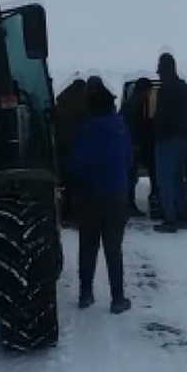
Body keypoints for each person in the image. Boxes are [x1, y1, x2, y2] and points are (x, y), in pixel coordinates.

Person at [64, 76, 133, 314]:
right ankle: (117, 298)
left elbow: (75, 162)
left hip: (90, 194)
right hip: (117, 193)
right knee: (113, 247)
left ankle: (85, 294)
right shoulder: (120, 125)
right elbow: (129, 158)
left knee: (88, 245)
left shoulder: (85, 128)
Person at [153, 52, 187, 233]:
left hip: (167, 140)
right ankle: (183, 216)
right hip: (184, 139)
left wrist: (155, 132)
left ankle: (170, 219)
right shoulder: (184, 88)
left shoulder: (165, 90)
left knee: (166, 181)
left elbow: (161, 117)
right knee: (178, 180)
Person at [55, 78, 89, 226]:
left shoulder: (63, 102)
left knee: (67, 183)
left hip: (63, 147)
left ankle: (66, 212)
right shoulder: (79, 104)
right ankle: (74, 213)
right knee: (76, 183)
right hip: (74, 147)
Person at [120, 77, 153, 217]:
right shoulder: (136, 104)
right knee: (130, 177)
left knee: (130, 176)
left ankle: (128, 204)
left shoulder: (131, 103)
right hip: (132, 144)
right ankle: (127, 205)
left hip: (129, 143)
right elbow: (136, 127)